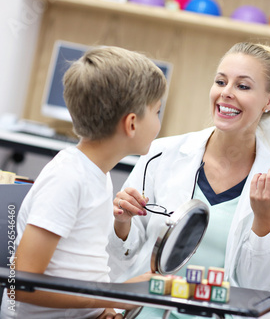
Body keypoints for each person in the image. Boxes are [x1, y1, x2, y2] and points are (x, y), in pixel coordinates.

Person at [106, 42, 270, 317]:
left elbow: (261, 287)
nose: (226, 93)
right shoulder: (161, 154)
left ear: (269, 101)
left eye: (242, 86)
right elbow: (120, 255)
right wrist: (121, 221)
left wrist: (265, 221)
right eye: (221, 81)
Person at [0, 46, 168, 318]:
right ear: (132, 124)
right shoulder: (68, 178)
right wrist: (112, 296)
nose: (159, 123)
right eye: (157, 112)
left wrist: (103, 308)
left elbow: (79, 267)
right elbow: (20, 285)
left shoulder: (96, 175)